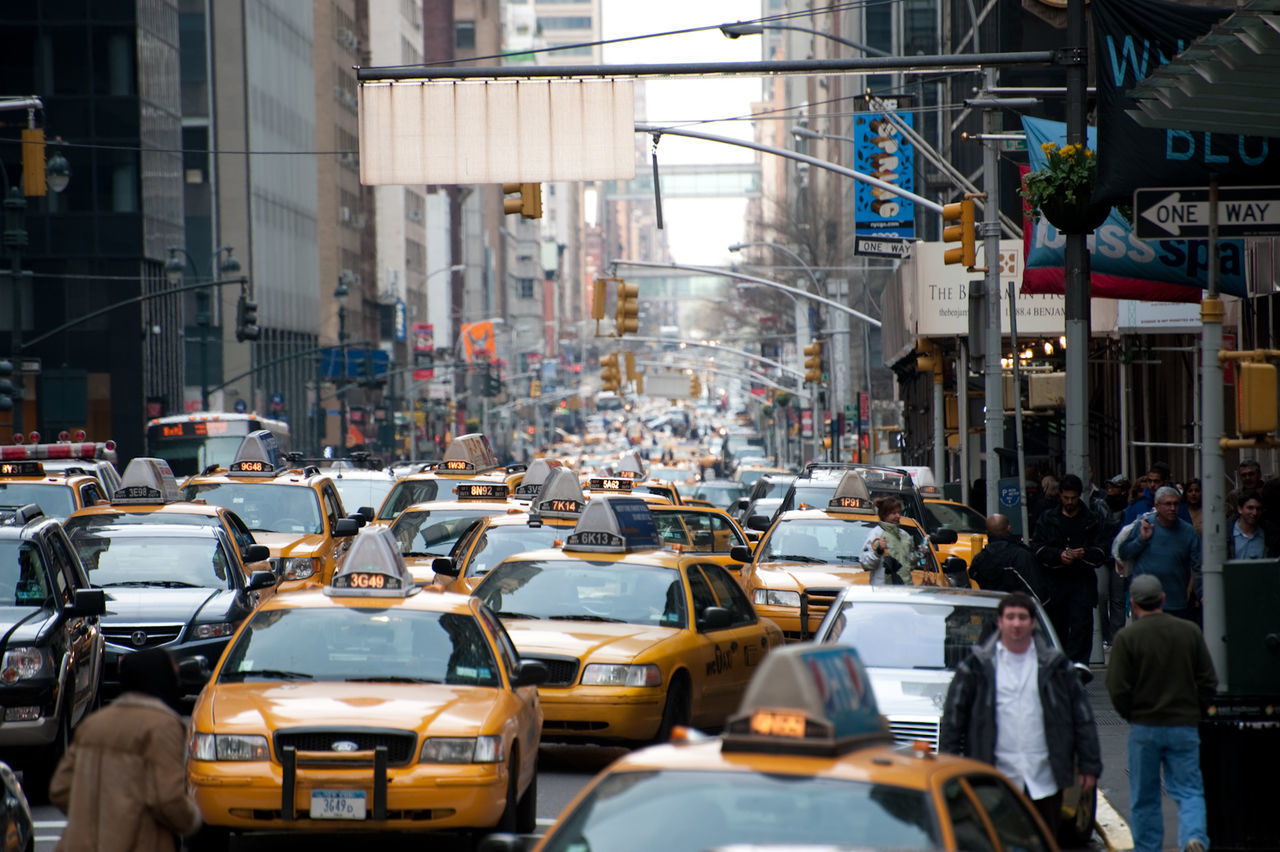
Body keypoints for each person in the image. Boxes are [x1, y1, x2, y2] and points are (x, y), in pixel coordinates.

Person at [940, 592, 1102, 839]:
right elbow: (953, 720)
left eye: (1022, 617)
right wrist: (950, 766)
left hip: (1044, 778)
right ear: (1000, 621)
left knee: (1043, 839)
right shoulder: (977, 666)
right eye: (1011, 617)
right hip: (993, 779)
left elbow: (1082, 717)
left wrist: (1089, 766)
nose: (1016, 624)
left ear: (1032, 622)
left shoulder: (1055, 666)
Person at [50, 648, 202, 852]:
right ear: (162, 678)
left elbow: (60, 789)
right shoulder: (162, 726)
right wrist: (193, 820)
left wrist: (96, 815)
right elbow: (169, 799)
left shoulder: (93, 724)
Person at [1106, 574, 1216, 852]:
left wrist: (1131, 713)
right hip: (1183, 724)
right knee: (1189, 789)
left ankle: (1148, 847)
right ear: (1163, 599)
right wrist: (1197, 710)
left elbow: (1117, 687)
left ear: (1132, 603)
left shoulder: (1127, 638)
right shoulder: (1189, 631)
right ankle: (1194, 836)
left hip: (1144, 725)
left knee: (1145, 796)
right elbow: (1207, 680)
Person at [1031, 474, 1106, 663]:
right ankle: (1059, 669)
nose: (1070, 502)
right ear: (1060, 496)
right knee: (1057, 629)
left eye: (1073, 498)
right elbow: (1037, 548)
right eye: (1066, 498)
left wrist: (1084, 554)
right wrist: (1059, 556)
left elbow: (1101, 551)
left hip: (1082, 584)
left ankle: (1078, 669)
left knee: (1081, 629)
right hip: (1055, 585)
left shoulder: (1091, 519)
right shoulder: (1048, 518)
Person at [1118, 486, 1202, 625]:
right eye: (1168, 504)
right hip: (1146, 601)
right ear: (1157, 506)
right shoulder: (1144, 525)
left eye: (1176, 504)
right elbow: (1124, 553)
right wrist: (1141, 540)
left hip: (1176, 601)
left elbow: (1198, 565)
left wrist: (1201, 593)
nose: (1173, 508)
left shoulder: (1188, 532)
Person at [968, 514, 1048, 602]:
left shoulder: (980, 559)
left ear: (987, 532)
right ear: (1009, 528)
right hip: (1019, 609)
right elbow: (1037, 592)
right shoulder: (1020, 556)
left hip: (991, 608)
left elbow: (973, 574)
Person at [858, 495, 915, 585]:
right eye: (893, 513)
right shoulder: (876, 534)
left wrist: (920, 554)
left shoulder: (905, 536)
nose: (898, 516)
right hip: (883, 591)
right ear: (884, 514)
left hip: (905, 591)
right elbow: (866, 564)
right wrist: (878, 551)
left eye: (899, 513)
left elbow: (909, 565)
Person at [1227, 490, 1270, 559]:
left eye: (1258, 509)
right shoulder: (1226, 534)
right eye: (1250, 508)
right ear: (1240, 509)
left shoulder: (1269, 534)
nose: (1254, 513)